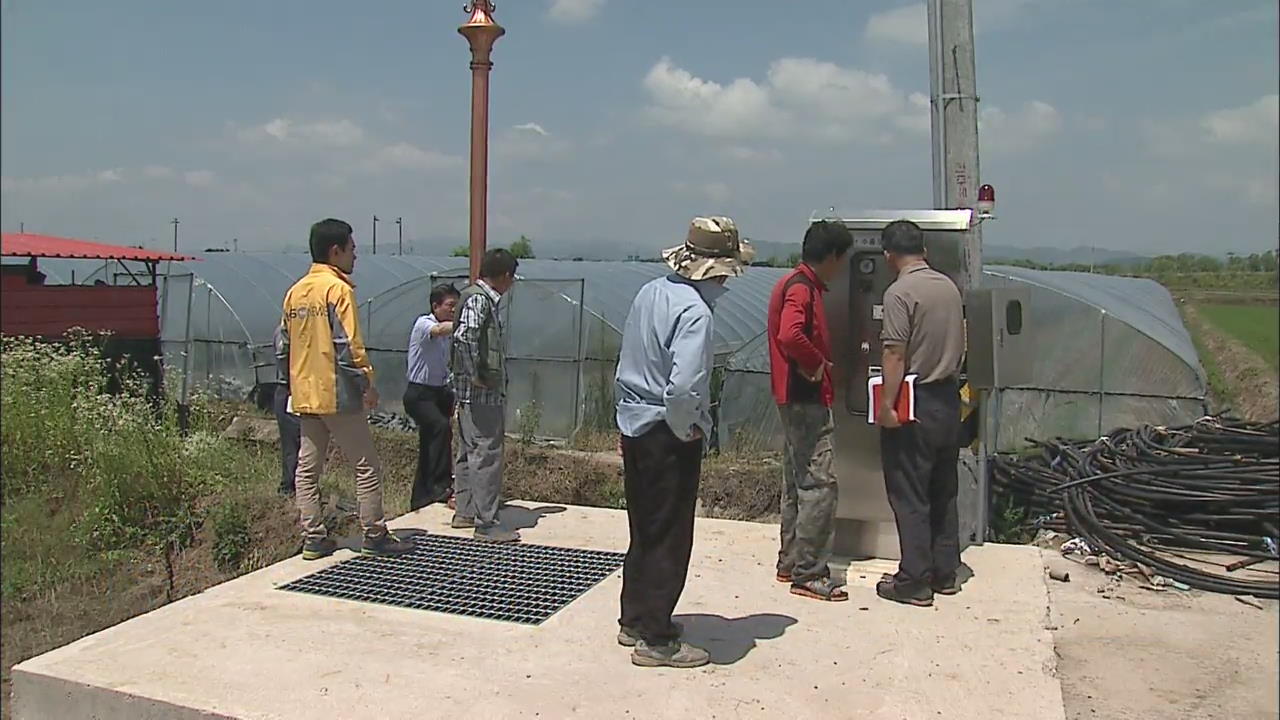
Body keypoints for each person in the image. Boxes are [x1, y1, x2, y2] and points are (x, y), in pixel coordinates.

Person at [614, 216, 754, 669]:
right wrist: (687, 428)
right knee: (670, 534)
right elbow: (684, 388)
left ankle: (634, 617)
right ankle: (656, 639)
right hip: (666, 430)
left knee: (644, 527)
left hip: (634, 423)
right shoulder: (695, 312)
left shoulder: (651, 292)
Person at [278, 218, 414, 560]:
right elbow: (347, 345)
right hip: (336, 393)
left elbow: (281, 345)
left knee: (307, 469)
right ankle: (374, 533)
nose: (356, 256)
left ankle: (313, 537)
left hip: (305, 395)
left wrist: (294, 380)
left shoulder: (295, 292)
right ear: (335, 251)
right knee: (366, 465)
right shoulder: (337, 290)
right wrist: (366, 383)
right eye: (352, 249)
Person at [874, 219, 966, 607]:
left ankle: (913, 580)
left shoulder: (900, 293)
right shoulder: (948, 287)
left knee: (910, 491)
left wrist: (885, 405)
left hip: (917, 400)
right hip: (948, 398)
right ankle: (945, 571)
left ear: (888, 255)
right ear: (924, 251)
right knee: (943, 489)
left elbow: (894, 353)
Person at [766, 220, 852, 602]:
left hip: (793, 399)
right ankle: (810, 571)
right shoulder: (801, 289)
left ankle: (790, 560)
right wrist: (816, 362)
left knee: (797, 480)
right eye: (842, 259)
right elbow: (790, 333)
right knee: (819, 483)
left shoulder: (791, 284)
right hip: (806, 399)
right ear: (832, 256)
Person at [450, 248, 520, 543]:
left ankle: (465, 511)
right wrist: (475, 374)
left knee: (468, 450)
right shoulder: (480, 300)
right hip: (481, 395)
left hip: (467, 395)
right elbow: (465, 336)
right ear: (504, 277)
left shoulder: (471, 296)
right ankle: (486, 522)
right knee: (487, 453)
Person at [404, 283, 460, 511]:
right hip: (419, 394)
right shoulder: (424, 324)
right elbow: (438, 331)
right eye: (450, 306)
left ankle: (421, 496)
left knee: (430, 443)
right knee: (439, 428)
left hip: (439, 392)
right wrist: (465, 323)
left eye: (457, 307)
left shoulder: (449, 334)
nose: (453, 311)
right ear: (435, 306)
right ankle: (441, 486)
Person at [272, 324, 301, 497]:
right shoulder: (286, 331)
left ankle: (301, 489)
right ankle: (289, 488)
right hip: (290, 391)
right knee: (293, 443)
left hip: (298, 391)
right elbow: (283, 358)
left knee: (303, 444)